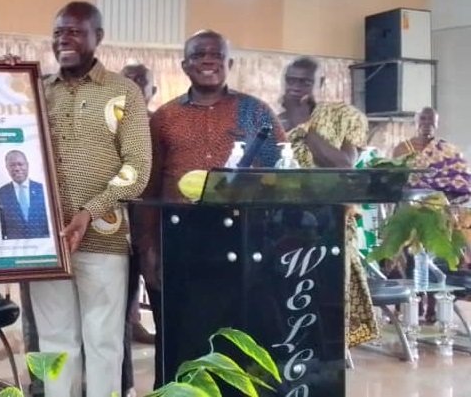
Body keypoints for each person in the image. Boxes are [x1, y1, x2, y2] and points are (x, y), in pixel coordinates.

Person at [136, 30, 285, 389]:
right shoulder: (164, 118)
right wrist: (148, 249)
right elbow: (149, 187)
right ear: (184, 64)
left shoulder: (255, 113)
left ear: (229, 64)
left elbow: (281, 173)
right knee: (179, 336)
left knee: (238, 337)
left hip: (241, 240)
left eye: (216, 54)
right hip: (180, 239)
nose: (208, 60)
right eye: (198, 54)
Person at [30, 1, 151, 397]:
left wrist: (90, 211)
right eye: (59, 32)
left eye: (76, 31)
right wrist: (7, 81)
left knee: (103, 344)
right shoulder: (35, 91)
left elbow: (138, 168)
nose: (64, 39)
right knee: (54, 342)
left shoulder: (123, 91)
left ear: (98, 37)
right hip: (45, 241)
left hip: (103, 237)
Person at [278, 55, 379, 348]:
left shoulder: (345, 115)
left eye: (305, 82)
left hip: (330, 227)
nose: (296, 88)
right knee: (288, 309)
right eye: (291, 81)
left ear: (322, 83)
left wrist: (304, 127)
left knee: (328, 307)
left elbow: (344, 165)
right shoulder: (275, 120)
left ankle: (328, 363)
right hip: (283, 229)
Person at [119, 61, 157, 396]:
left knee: (163, 305)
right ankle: (125, 385)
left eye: (139, 82)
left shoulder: (160, 125)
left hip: (157, 232)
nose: (132, 87)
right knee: (117, 311)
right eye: (125, 81)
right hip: (116, 231)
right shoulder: (108, 123)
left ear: (151, 91)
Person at [392, 107, 471, 205]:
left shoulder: (449, 150)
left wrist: (441, 199)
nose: (427, 123)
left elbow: (462, 179)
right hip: (409, 204)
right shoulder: (401, 149)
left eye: (431, 119)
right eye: (423, 118)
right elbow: (394, 179)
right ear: (415, 122)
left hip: (439, 205)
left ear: (437, 123)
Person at [0, 150, 51, 240]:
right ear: (7, 168)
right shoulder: (0, 193)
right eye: (12, 165)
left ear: (27, 165)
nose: (17, 168)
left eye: (20, 164)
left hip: (42, 246)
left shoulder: (42, 189)